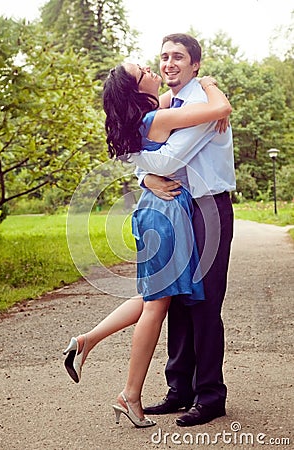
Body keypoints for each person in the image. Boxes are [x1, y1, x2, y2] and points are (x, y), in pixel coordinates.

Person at [63, 60, 232, 428]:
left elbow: (145, 150)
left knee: (157, 295)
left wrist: (144, 177)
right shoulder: (159, 118)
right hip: (167, 213)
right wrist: (211, 84)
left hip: (163, 208)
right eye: (145, 70)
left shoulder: (158, 111)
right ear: (139, 90)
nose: (154, 67)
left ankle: (87, 341)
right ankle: (130, 395)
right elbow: (219, 110)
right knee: (156, 305)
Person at [131, 33, 236, 427]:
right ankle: (179, 389)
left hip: (209, 206)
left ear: (196, 65)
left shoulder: (203, 104)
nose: (169, 63)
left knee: (205, 301)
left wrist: (144, 171)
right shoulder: (169, 103)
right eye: (164, 57)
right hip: (177, 205)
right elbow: (148, 156)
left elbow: (170, 156)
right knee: (177, 297)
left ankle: (210, 395)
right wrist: (145, 179)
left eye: (178, 57)